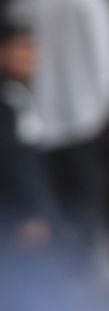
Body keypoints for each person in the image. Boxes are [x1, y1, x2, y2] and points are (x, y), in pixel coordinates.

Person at [8, 0, 109, 252]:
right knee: (84, 211)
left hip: (39, 124)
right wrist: (106, 108)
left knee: (50, 212)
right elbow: (107, 60)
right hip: (84, 120)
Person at [0, 17, 56, 253]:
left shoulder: (17, 93)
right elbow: (13, 161)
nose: (31, 56)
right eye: (22, 47)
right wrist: (31, 212)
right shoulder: (6, 103)